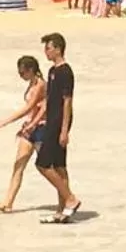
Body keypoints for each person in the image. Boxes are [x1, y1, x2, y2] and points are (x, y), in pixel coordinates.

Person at [0, 55, 47, 213]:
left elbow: (29, 107)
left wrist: (5, 122)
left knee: (50, 168)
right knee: (18, 165)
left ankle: (65, 196)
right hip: (28, 128)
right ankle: (8, 202)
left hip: (41, 128)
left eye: (22, 73)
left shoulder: (41, 85)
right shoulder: (32, 83)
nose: (21, 76)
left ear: (31, 70)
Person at [36, 32, 79, 224]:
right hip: (51, 120)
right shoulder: (52, 71)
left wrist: (64, 130)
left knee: (42, 164)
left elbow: (67, 102)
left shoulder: (65, 72)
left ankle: (70, 198)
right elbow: (50, 100)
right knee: (60, 167)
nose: (46, 51)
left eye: (48, 47)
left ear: (58, 49)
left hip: (59, 123)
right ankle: (62, 210)